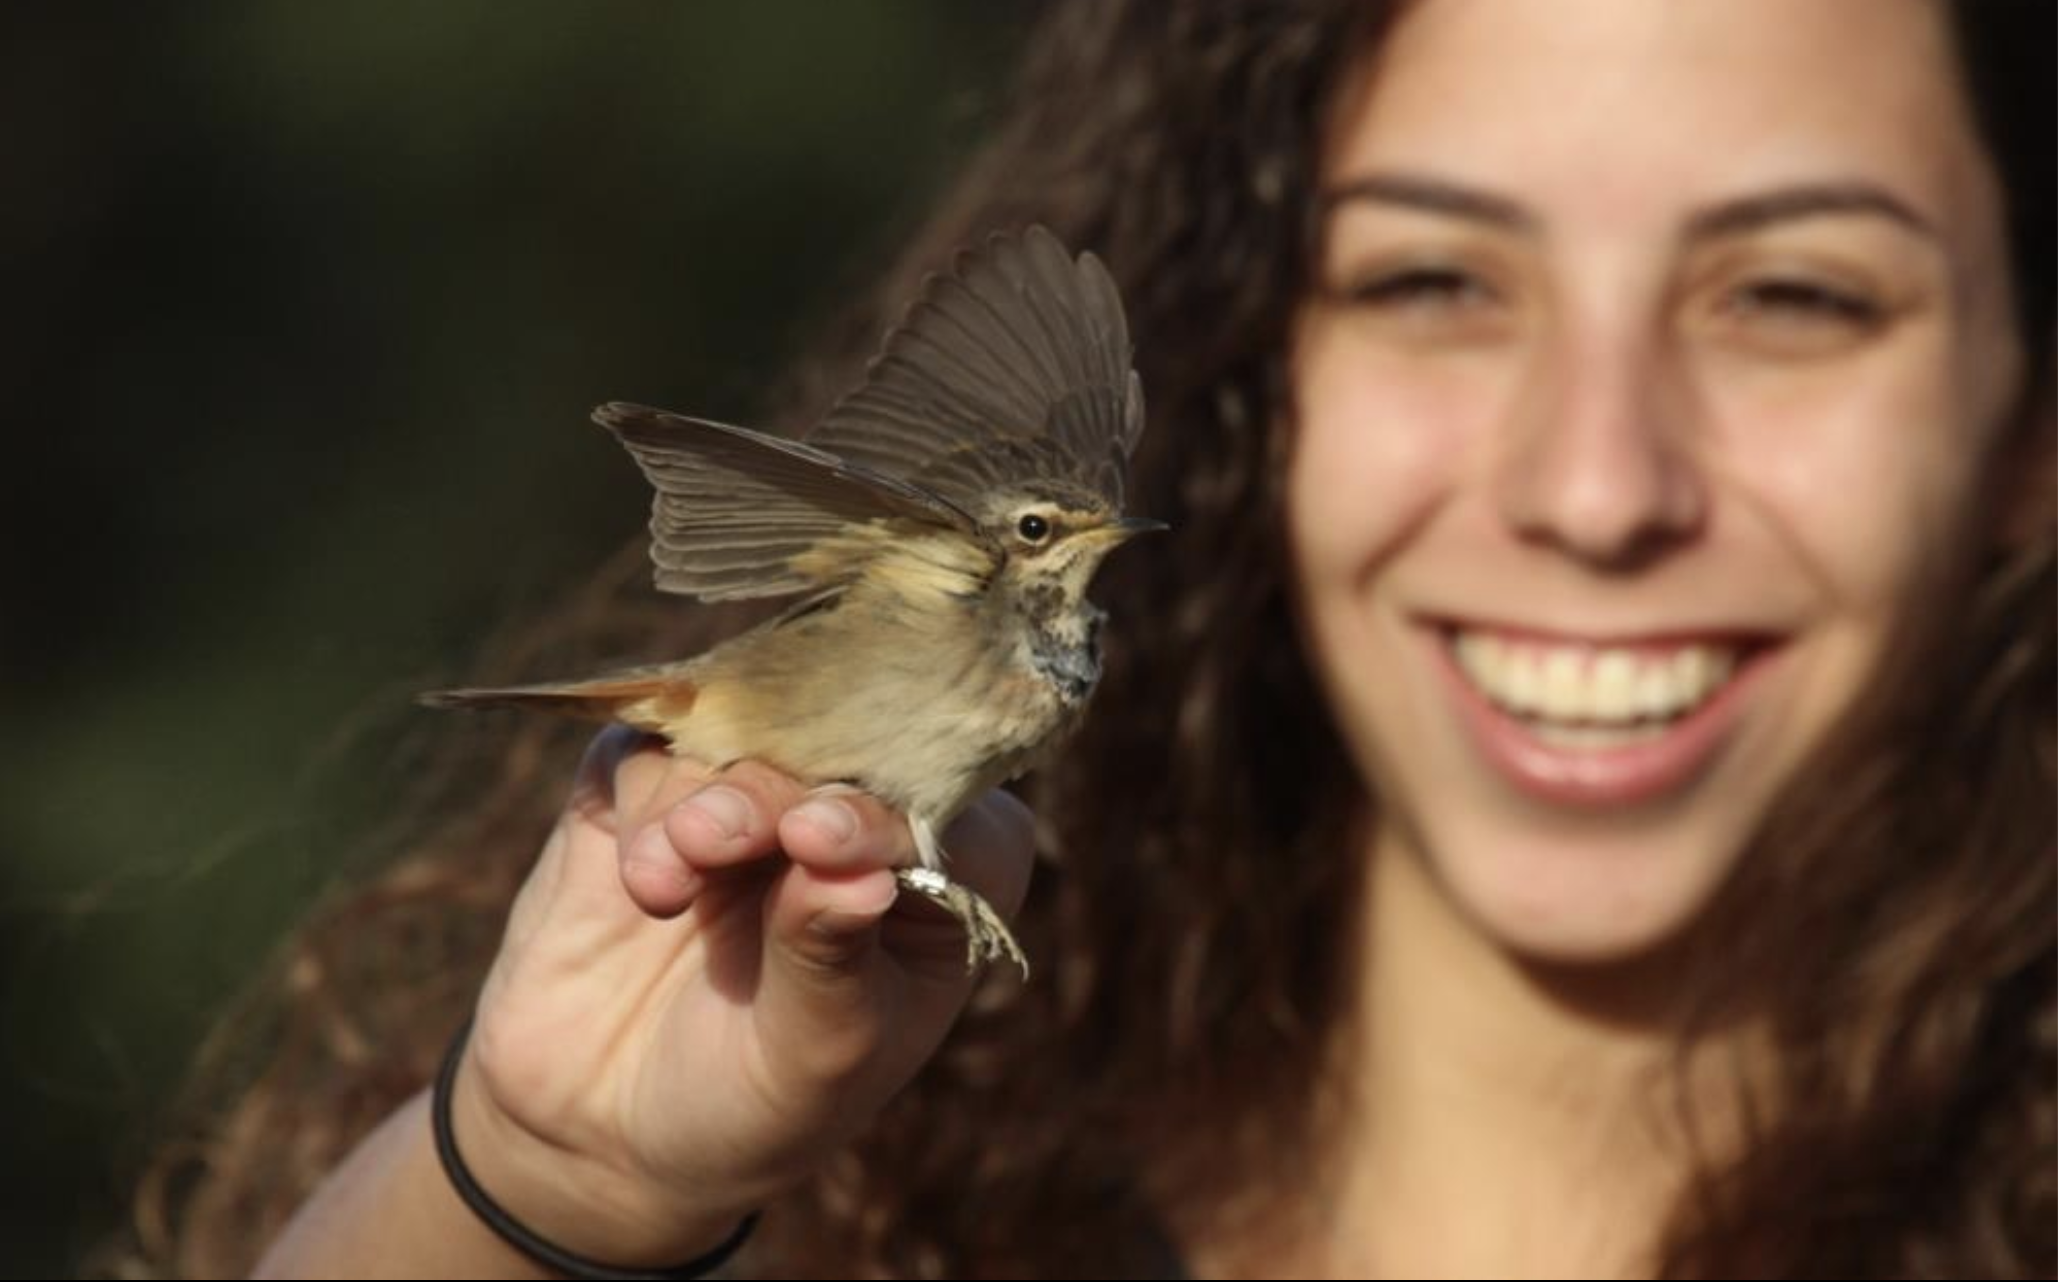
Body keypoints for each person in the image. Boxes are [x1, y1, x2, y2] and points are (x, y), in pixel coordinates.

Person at [136, 0, 2051, 1276]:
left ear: (2030, 421)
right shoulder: (877, 1187)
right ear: (1254, 372)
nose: (1597, 483)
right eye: (1433, 277)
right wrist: (549, 1194)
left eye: (1796, 292)